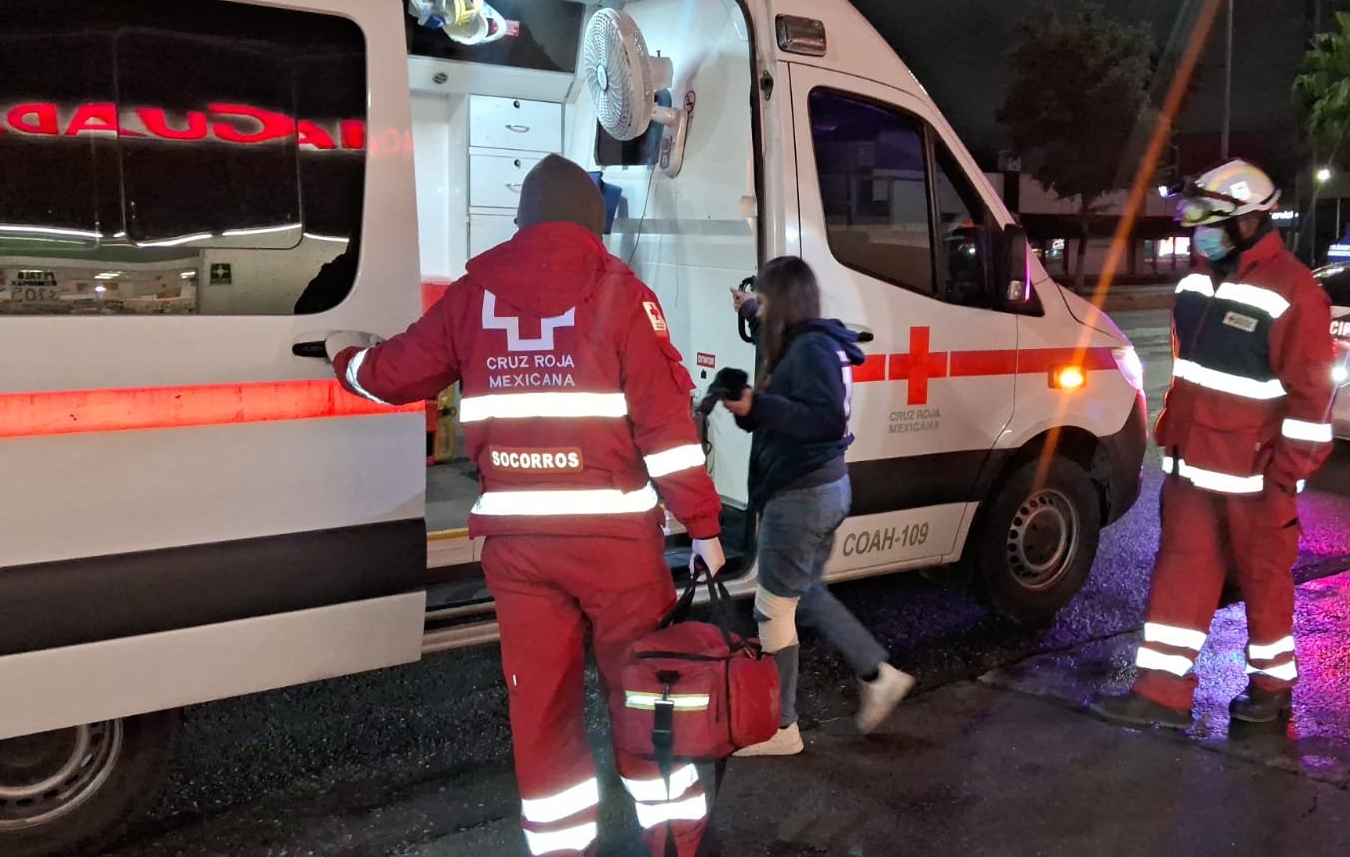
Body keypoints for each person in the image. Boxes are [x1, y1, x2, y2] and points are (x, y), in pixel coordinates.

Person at [325, 154, 724, 856]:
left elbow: (392, 375)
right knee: (647, 694)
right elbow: (666, 429)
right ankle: (673, 844)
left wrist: (344, 357)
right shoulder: (623, 294)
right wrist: (703, 526)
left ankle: (563, 848)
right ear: (595, 224)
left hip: (519, 549)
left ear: (522, 220)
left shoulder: (472, 296)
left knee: (540, 710)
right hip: (618, 550)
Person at [1090, 159, 1335, 728]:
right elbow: (1191, 376)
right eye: (1195, 221)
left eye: (1209, 222)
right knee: (1180, 575)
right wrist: (1173, 442)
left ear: (1248, 222)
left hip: (1259, 477)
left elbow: (1314, 398)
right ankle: (1161, 692)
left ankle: (1271, 690)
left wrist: (1286, 473)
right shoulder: (1195, 285)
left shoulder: (1295, 291)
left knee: (1264, 579)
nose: (1198, 233)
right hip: (1193, 467)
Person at [721, 256, 914, 756]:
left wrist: (757, 406)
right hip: (823, 488)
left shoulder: (809, 350)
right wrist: (749, 311)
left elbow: (824, 418)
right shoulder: (808, 340)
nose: (760, 308)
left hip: (801, 496)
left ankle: (781, 729)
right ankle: (879, 676)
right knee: (804, 593)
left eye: (764, 299)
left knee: (773, 607)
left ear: (783, 302)